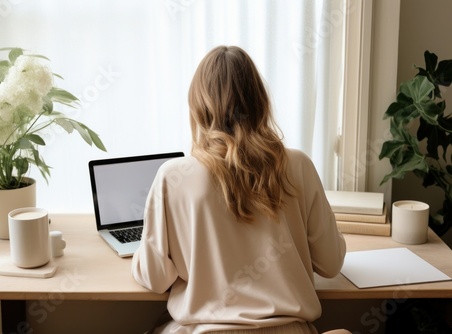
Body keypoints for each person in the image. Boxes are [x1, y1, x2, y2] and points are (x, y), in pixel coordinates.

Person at [131, 45, 347, 334]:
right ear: (260, 101)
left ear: (198, 107)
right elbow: (331, 264)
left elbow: (155, 278)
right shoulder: (299, 165)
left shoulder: (174, 176)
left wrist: (143, 254)